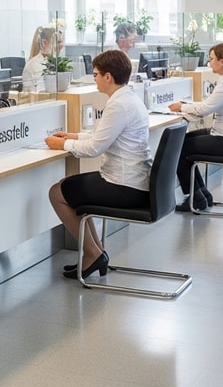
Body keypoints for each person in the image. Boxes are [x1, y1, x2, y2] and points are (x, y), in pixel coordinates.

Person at [46, 50, 150, 279]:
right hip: (133, 182)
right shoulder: (128, 98)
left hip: (125, 187)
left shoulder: (118, 105)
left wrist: (61, 145)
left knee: (57, 192)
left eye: (95, 74)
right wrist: (72, 136)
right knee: (71, 190)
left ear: (108, 77)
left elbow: (95, 148)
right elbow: (103, 136)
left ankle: (93, 252)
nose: (93, 79)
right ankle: (95, 253)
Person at [168, 42, 223, 212]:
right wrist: (186, 105)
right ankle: (201, 194)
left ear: (222, 62)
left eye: (212, 58)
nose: (209, 62)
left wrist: (181, 107)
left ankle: (196, 197)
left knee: (177, 148)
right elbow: (209, 105)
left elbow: (203, 110)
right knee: (182, 141)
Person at [21, 25, 62, 93]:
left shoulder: (50, 62)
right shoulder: (34, 64)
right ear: (44, 43)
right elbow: (42, 91)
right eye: (58, 42)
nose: (61, 46)